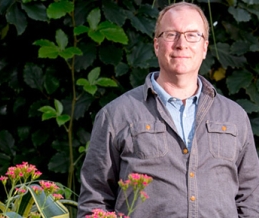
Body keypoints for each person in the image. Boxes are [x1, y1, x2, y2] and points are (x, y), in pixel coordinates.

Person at [77, 2, 259, 218]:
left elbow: (250, 200)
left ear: (205, 48)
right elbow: (95, 201)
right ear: (156, 45)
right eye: (171, 34)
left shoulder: (234, 116)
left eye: (192, 35)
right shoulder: (117, 115)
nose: (181, 44)